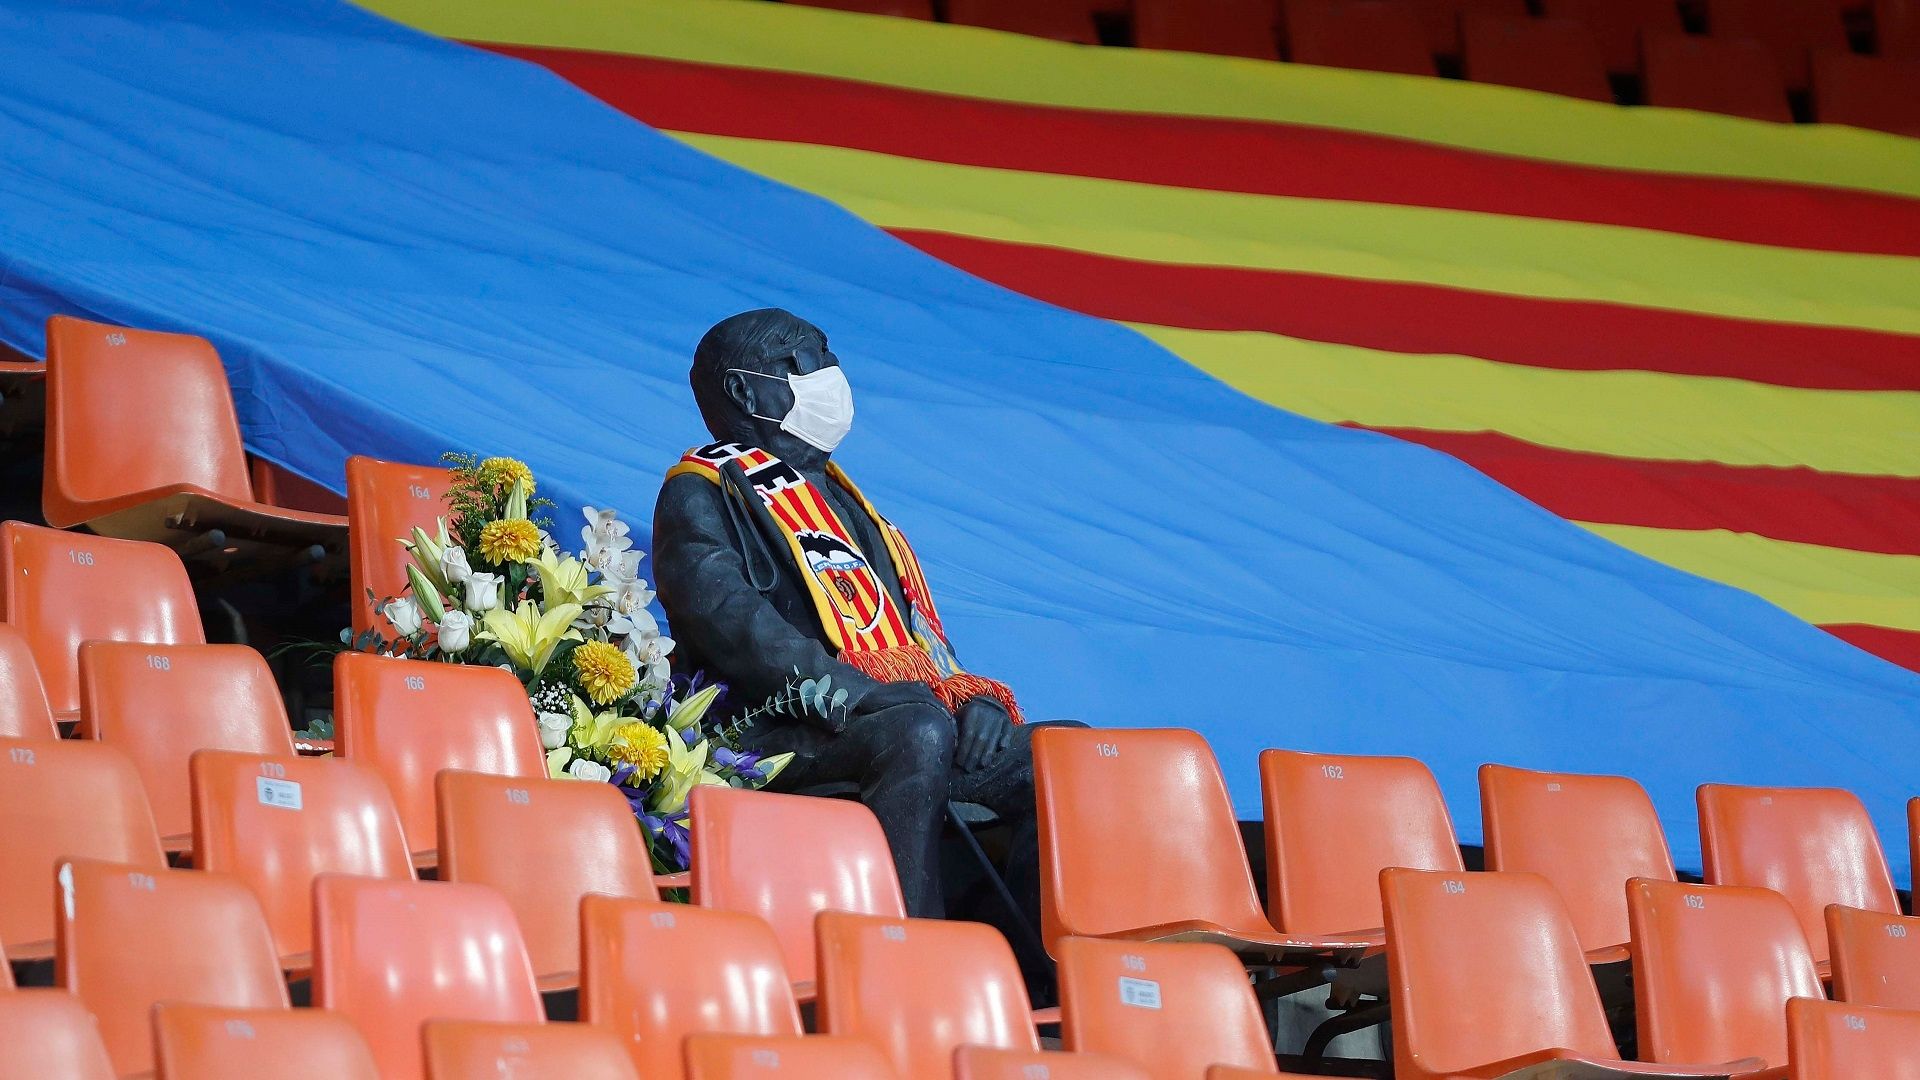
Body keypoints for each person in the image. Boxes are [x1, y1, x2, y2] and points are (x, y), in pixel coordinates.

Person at [652, 308, 1036, 923]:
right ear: (744, 392)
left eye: (828, 358)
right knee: (916, 731)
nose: (827, 375)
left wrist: (973, 699)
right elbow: (735, 628)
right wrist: (866, 696)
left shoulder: (849, 504)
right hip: (770, 729)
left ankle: (1041, 958)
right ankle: (914, 951)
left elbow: (917, 639)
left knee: (1055, 753)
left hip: (901, 713)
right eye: (802, 363)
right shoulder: (700, 492)